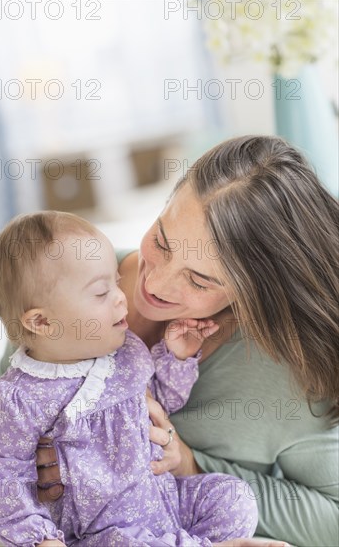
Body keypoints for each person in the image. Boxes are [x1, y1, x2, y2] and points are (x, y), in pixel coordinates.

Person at [29, 135, 339, 547]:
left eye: (199, 279)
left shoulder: (287, 377)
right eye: (161, 240)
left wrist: (191, 466)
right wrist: (37, 463)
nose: (154, 284)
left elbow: (332, 519)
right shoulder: (69, 283)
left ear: (252, 293)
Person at [0, 211, 259, 547]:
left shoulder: (126, 352)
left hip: (164, 502)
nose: (120, 296)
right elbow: (6, 478)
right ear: (41, 323)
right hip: (102, 533)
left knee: (233, 499)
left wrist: (177, 358)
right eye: (101, 293)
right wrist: (39, 538)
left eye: (115, 281)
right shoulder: (17, 398)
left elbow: (160, 406)